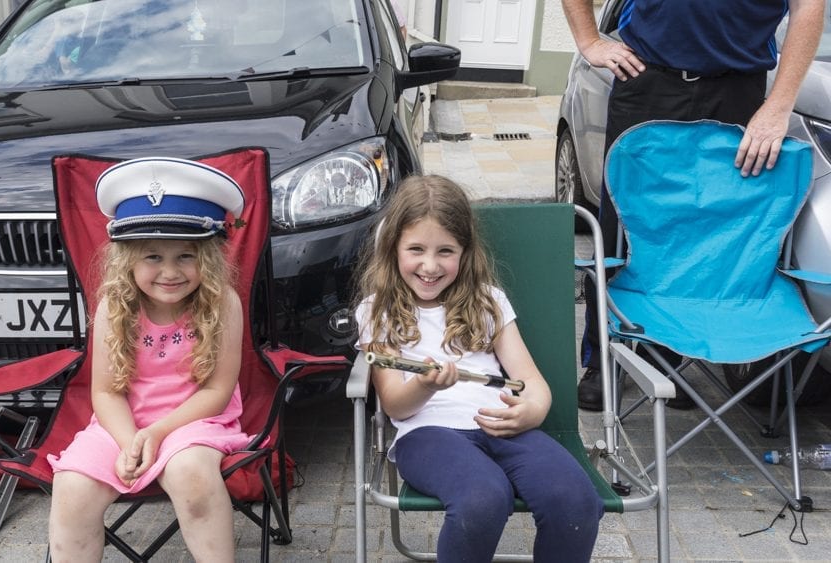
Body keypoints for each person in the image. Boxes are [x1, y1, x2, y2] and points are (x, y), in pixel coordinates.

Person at [561, 0, 825, 411]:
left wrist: (779, 104)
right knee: (623, 226)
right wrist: (589, 41)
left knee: (713, 230)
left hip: (740, 89)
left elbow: (809, 8)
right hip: (648, 80)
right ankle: (603, 361)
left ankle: (668, 359)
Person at [352, 175, 603, 562]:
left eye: (446, 251)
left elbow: (531, 381)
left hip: (500, 423)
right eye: (416, 249)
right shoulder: (378, 310)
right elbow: (396, 405)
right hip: (427, 433)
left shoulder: (488, 302)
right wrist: (425, 385)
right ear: (393, 248)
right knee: (483, 498)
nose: (430, 265)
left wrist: (532, 410)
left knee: (576, 500)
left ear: (466, 252)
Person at [47, 157, 251, 562]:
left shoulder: (222, 303)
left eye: (186, 256)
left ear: (208, 257)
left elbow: (218, 389)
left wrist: (157, 434)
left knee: (190, 473)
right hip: (121, 424)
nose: (170, 271)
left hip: (196, 422)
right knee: (72, 486)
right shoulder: (114, 306)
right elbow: (105, 392)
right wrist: (131, 443)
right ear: (128, 260)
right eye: (153, 256)